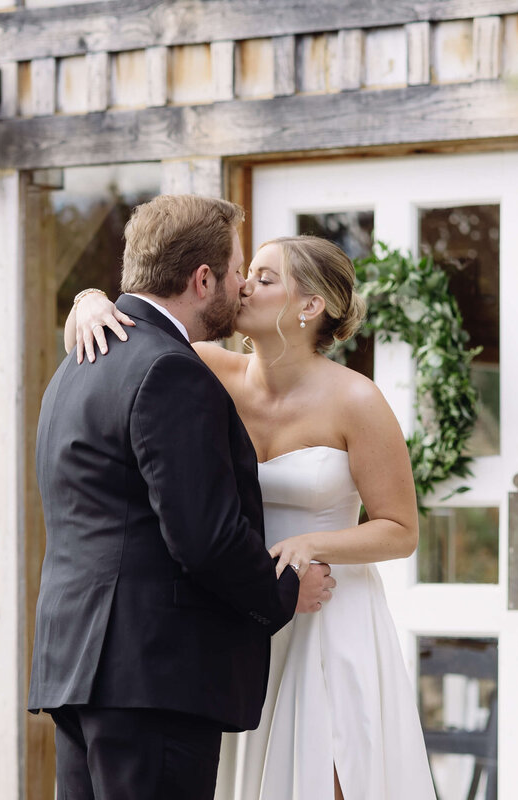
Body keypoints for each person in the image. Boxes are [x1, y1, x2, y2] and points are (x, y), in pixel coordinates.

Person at [68, 233, 436, 800]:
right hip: (241, 612)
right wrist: (91, 298)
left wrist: (313, 545)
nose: (243, 286)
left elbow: (400, 530)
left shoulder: (357, 401)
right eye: (248, 273)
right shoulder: (206, 368)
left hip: (327, 611)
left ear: (310, 306)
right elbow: (133, 337)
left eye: (265, 279)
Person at [29, 194, 336, 800]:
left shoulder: (78, 363)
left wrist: (88, 299)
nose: (242, 284)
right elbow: (204, 536)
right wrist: (283, 591)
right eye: (236, 270)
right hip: (151, 681)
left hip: (77, 669)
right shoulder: (170, 370)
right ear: (202, 280)